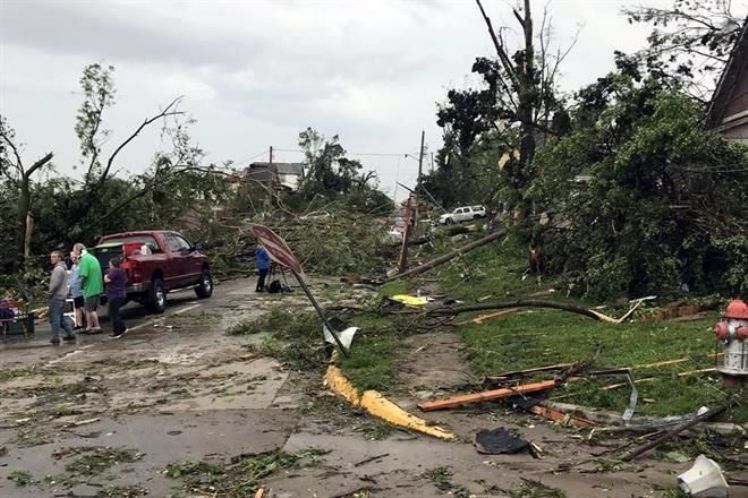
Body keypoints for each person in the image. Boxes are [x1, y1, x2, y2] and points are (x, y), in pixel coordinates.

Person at [73, 242, 104, 334]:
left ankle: (97, 326)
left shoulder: (84, 260)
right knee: (88, 309)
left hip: (90, 288)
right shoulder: (91, 258)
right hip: (96, 287)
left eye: (74, 250)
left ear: (78, 250)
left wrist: (80, 285)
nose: (74, 253)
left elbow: (83, 275)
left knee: (91, 309)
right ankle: (89, 327)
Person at [48, 250, 75, 345]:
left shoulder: (57, 270)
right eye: (51, 257)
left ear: (59, 258)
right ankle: (70, 333)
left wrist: (50, 293)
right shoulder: (63, 268)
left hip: (56, 296)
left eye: (54, 257)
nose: (52, 258)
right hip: (62, 296)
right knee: (61, 318)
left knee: (54, 317)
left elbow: (55, 284)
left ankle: (55, 336)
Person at [104, 257, 128, 338]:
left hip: (115, 295)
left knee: (113, 314)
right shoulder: (121, 271)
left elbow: (107, 280)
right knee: (115, 313)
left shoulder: (115, 271)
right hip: (120, 294)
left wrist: (105, 275)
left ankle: (117, 332)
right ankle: (122, 328)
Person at [68, 251, 85, 330]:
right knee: (77, 307)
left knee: (82, 306)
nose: (73, 259)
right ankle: (79, 323)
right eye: (71, 258)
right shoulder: (73, 267)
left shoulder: (81, 266)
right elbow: (71, 279)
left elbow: (81, 278)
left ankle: (89, 322)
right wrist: (69, 288)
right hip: (74, 290)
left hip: (80, 290)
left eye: (74, 257)